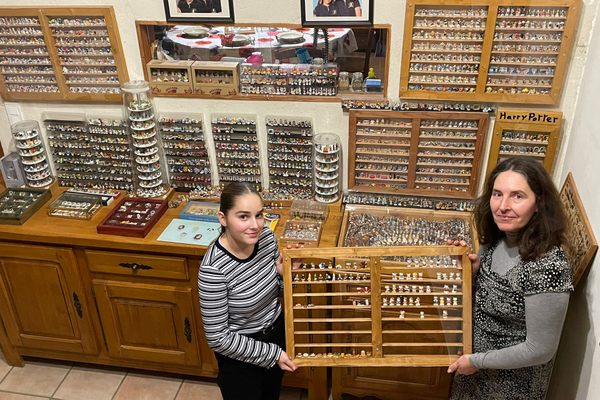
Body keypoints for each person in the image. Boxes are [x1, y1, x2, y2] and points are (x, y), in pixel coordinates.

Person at [448, 157, 573, 400]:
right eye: (497, 194)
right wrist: (473, 273)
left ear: (539, 202)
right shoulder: (499, 237)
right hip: (473, 371)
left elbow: (540, 349)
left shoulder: (549, 265)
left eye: (517, 196)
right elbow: (490, 297)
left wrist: (477, 361)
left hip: (510, 386)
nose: (503, 206)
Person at [198, 182, 297, 400]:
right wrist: (272, 354)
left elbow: (276, 293)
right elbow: (218, 338)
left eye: (259, 215)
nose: (255, 225)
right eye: (243, 217)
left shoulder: (267, 239)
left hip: (275, 334)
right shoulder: (213, 269)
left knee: (271, 394)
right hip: (239, 355)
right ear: (223, 219)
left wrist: (282, 276)